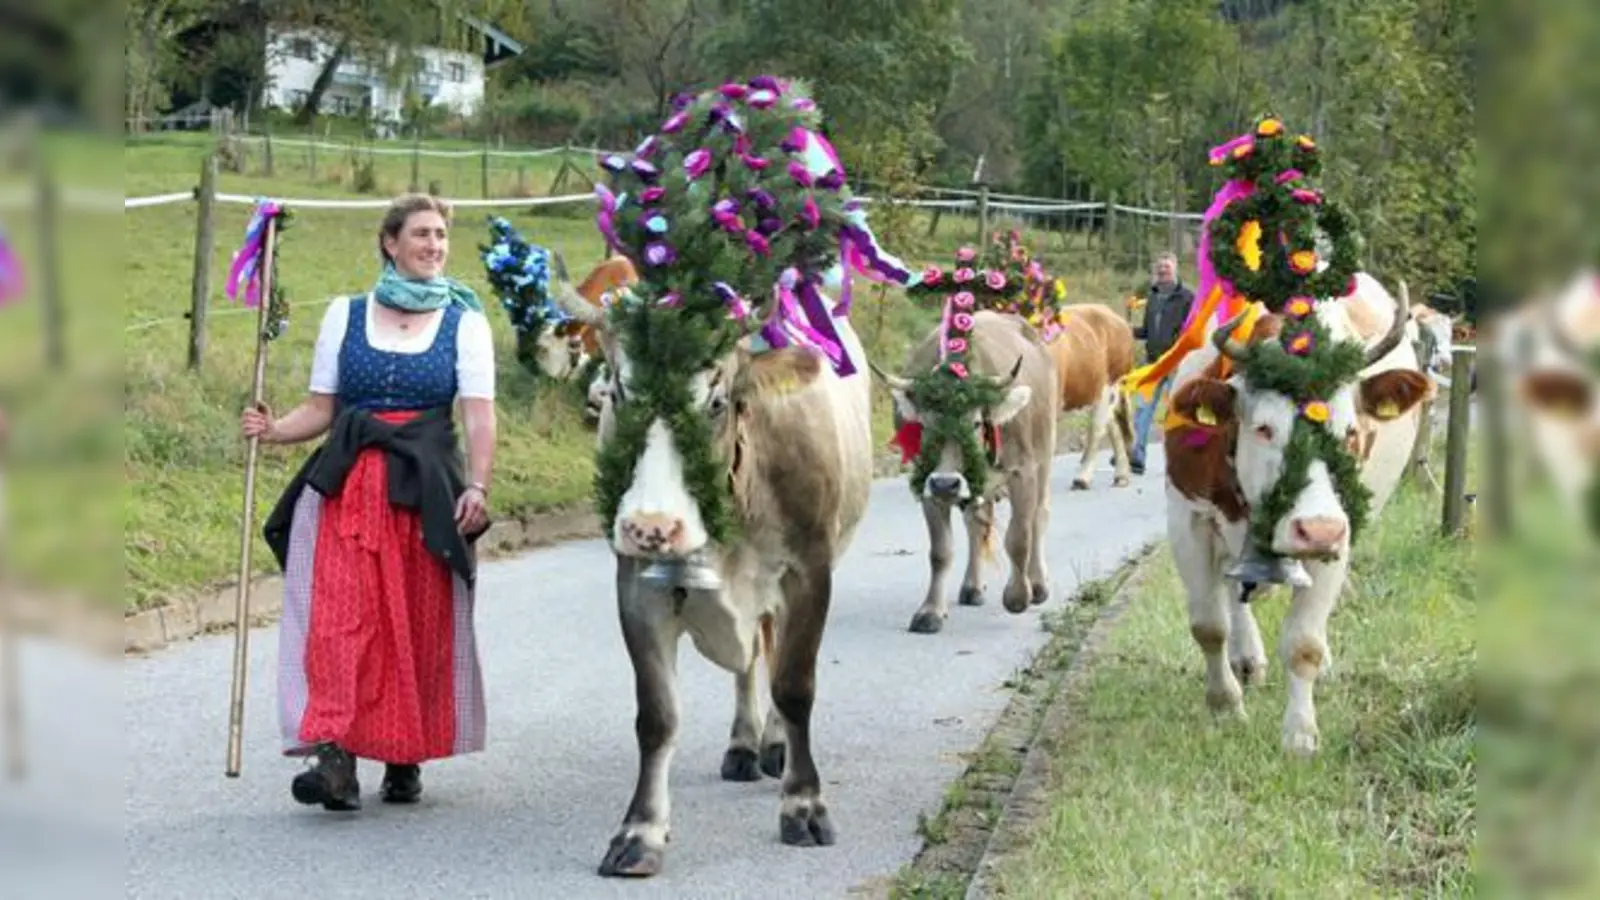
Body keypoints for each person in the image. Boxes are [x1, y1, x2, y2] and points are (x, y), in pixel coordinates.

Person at [241, 193, 498, 812]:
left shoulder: (466, 323)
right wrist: (272, 431)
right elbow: (322, 410)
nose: (434, 245)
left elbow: (479, 418)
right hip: (350, 487)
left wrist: (479, 486)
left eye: (440, 235)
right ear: (390, 242)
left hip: (425, 490)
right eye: (421, 234)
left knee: (413, 621)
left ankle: (404, 753)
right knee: (339, 620)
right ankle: (335, 759)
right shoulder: (345, 315)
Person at [1128, 252, 1195, 474]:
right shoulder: (1153, 297)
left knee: (1177, 412)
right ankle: (1136, 456)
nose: (1163, 272)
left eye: (1166, 268)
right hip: (1153, 364)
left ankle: (1184, 460)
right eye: (1160, 268)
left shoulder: (1188, 298)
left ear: (1175, 270)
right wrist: (1125, 330)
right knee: (1143, 409)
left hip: (1177, 365)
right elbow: (1147, 331)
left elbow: (1194, 332)